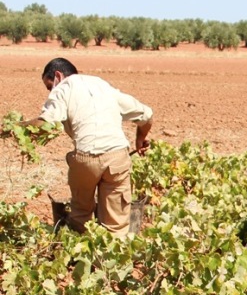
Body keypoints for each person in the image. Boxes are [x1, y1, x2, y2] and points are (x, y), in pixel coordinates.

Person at [26, 57, 153, 236]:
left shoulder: (63, 88)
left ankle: (81, 257)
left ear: (57, 75)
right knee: (116, 223)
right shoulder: (102, 85)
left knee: (80, 214)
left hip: (86, 158)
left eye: (49, 86)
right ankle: (112, 261)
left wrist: (16, 127)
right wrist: (141, 139)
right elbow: (147, 115)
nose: (50, 91)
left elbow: (46, 123)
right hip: (117, 157)